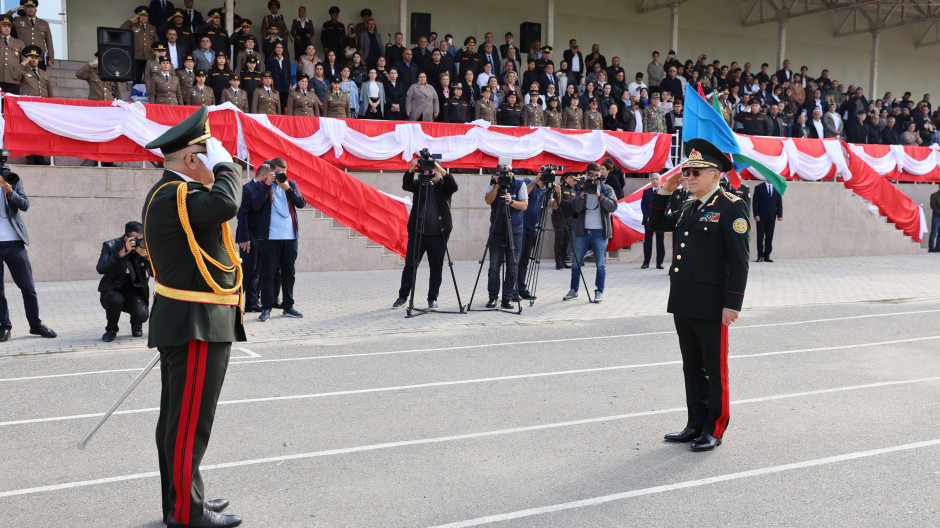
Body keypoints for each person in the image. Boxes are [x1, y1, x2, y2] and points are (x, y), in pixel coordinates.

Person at [142, 106, 244, 527]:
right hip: (195, 323)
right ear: (191, 160)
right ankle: (186, 514)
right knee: (187, 423)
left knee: (178, 420)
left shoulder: (174, 194)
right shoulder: (177, 196)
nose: (214, 162)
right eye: (206, 154)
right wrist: (225, 165)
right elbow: (227, 202)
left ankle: (184, 500)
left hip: (190, 320)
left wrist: (215, 165)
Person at [650, 138, 750, 452]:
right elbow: (655, 223)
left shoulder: (731, 206)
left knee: (714, 370)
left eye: (696, 172)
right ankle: (695, 424)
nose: (689, 177)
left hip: (712, 304)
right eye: (687, 172)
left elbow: (739, 260)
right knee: (691, 366)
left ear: (715, 175)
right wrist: (664, 192)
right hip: (684, 300)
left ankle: (714, 428)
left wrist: (732, 304)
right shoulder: (688, 206)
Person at [393, 158, 458, 309]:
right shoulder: (420, 185)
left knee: (436, 268)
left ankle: (432, 299)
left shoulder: (444, 187)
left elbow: (453, 186)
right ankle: (402, 297)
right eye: (430, 169)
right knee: (410, 265)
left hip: (438, 236)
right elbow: (406, 185)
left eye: (435, 169)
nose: (432, 172)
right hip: (418, 234)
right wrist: (411, 169)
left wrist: (440, 170)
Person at [247, 158, 306, 321]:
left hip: (290, 237)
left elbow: (301, 203)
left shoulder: (291, 184)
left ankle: (288, 307)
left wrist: (287, 188)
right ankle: (266, 308)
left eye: (284, 173)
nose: (281, 176)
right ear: (271, 171)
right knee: (267, 273)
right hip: (269, 238)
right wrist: (266, 185)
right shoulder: (262, 185)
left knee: (289, 273)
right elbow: (255, 205)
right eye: (278, 173)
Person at [562, 163, 617, 302]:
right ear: (587, 174)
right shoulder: (581, 187)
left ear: (600, 174)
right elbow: (576, 208)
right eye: (591, 175)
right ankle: (574, 290)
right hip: (583, 231)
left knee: (600, 265)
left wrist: (599, 196)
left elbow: (613, 206)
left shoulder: (607, 189)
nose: (594, 178)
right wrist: (582, 193)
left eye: (597, 175)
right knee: (576, 263)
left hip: (600, 231)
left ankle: (599, 291)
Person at [97, 221, 151, 342]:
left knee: (142, 315)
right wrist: (120, 254)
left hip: (135, 291)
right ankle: (111, 329)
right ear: (126, 238)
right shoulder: (110, 245)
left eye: (141, 238)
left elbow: (155, 273)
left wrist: (147, 258)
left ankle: (136, 322)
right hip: (112, 290)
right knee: (115, 299)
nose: (139, 241)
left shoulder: (144, 247)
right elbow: (100, 268)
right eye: (136, 238)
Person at [484, 163, 527, 309]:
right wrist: (496, 186)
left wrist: (511, 202)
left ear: (512, 172)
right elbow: (488, 200)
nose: (505, 174)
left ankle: (507, 298)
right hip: (497, 231)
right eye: (502, 171)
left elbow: (524, 205)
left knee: (512, 267)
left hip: (515, 232)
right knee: (494, 267)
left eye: (508, 171)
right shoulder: (493, 182)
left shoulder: (520, 184)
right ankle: (492, 297)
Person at [236, 164, 269, 312]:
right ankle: (236, 302)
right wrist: (244, 237)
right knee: (247, 270)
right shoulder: (247, 188)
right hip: (248, 237)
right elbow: (242, 214)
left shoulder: (266, 188)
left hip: (261, 237)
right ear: (263, 175)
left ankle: (251, 302)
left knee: (256, 272)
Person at [516, 173, 551, 300]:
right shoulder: (529, 181)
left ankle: (521, 288)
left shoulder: (546, 191)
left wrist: (558, 193)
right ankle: (512, 289)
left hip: (533, 228)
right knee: (516, 259)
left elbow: (553, 205)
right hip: (521, 227)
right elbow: (523, 194)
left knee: (525, 260)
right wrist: (536, 180)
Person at [122, 5, 158, 83]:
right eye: (141, 15)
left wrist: (156, 55)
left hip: (149, 56)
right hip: (136, 56)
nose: (143, 17)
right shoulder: (132, 26)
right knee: (136, 78)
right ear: (138, 17)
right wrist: (131, 20)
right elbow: (122, 29)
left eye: (145, 16)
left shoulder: (152, 28)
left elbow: (156, 42)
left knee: (149, 78)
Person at [13, 0, 53, 70]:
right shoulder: (17, 21)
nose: (30, 9)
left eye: (32, 7)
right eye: (28, 7)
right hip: (23, 57)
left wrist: (51, 58)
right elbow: (3, 20)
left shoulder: (44, 23)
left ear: (36, 10)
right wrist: (14, 10)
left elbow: (49, 42)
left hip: (39, 58)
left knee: (40, 77)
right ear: (24, 9)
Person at [551, 172, 578, 269]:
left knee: (566, 240)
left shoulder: (574, 189)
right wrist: (572, 204)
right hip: (559, 216)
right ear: (567, 177)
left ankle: (563, 261)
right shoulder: (560, 187)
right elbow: (559, 201)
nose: (575, 182)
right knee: (559, 240)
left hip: (569, 217)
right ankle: (558, 262)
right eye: (574, 179)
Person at [752, 179, 783, 262]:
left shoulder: (777, 188)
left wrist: (780, 214)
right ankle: (760, 256)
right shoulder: (759, 188)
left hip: (772, 216)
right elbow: (755, 202)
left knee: (769, 236)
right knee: (760, 237)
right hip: (761, 217)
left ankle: (767, 255)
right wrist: (756, 214)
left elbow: (779, 202)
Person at [640, 173, 666, 269]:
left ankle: (659, 263)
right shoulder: (646, 192)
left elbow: (668, 205)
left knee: (660, 241)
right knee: (648, 241)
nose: (655, 180)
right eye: (653, 179)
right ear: (651, 180)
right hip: (648, 221)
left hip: (660, 221)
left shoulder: (665, 192)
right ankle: (646, 262)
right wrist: (647, 217)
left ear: (660, 181)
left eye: (657, 179)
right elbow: (643, 206)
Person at [0, 14, 24, 94]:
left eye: (9, 26)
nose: (7, 28)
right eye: (4, 26)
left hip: (14, 80)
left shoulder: (19, 43)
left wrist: (23, 80)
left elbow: (24, 63)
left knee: (12, 102)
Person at [929, 185, 940, 253]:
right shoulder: (934, 195)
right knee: (933, 233)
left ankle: (938, 247)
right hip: (936, 216)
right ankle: (931, 248)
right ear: (939, 186)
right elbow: (933, 205)